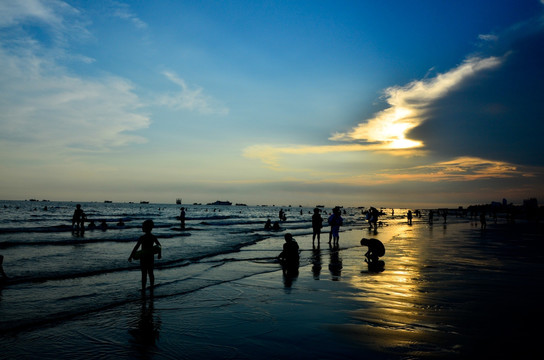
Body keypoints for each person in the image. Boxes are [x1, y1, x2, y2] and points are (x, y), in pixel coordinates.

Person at [129, 220, 162, 295]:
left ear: (146, 228)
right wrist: (159, 254)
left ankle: (144, 288)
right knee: (151, 273)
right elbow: (159, 246)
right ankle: (151, 287)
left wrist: (131, 256)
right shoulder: (153, 237)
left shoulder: (142, 237)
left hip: (143, 258)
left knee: (144, 274)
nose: (142, 228)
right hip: (150, 257)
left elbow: (136, 247)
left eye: (143, 227)